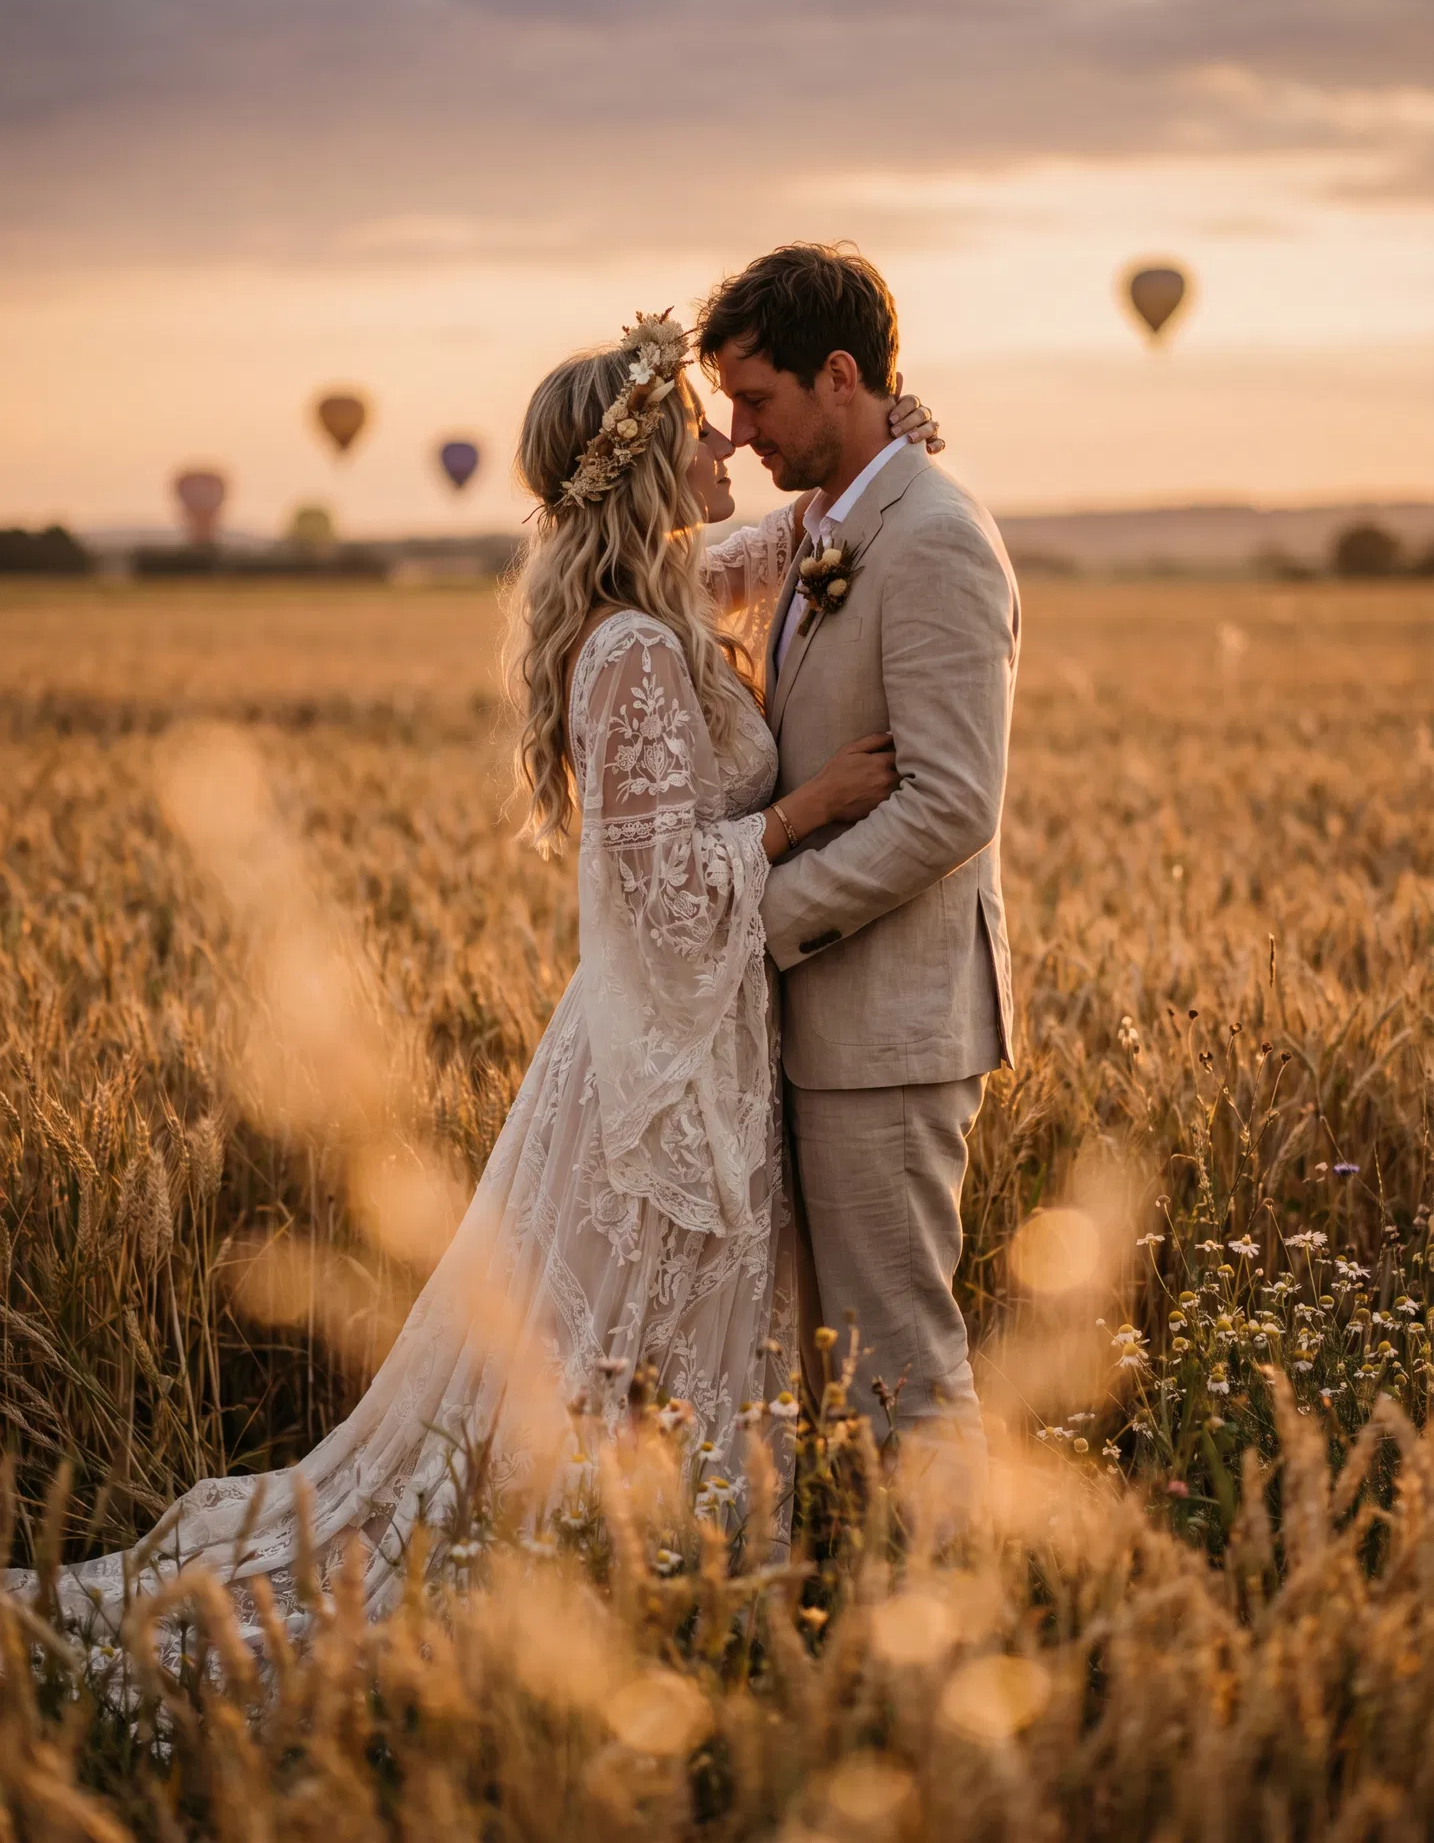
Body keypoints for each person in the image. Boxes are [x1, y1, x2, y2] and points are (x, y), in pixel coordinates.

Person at [4, 306, 944, 1638]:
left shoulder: (665, 594)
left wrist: (877, 452)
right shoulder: (625, 649)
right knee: (620, 1358)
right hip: (657, 1071)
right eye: (701, 430)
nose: (731, 444)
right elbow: (661, 897)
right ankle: (615, 1592)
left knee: (652, 1361)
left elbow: (783, 543)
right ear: (647, 465)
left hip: (702, 1045)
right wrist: (810, 806)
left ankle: (669, 1586)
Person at [695, 244, 1020, 1450]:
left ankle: (953, 1619)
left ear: (839, 376)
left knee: (901, 1369)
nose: (738, 433)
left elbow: (948, 803)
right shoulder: (823, 524)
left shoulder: (931, 537)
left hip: (887, 1027)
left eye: (757, 399)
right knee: (836, 1371)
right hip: (817, 1022)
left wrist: (759, 924)